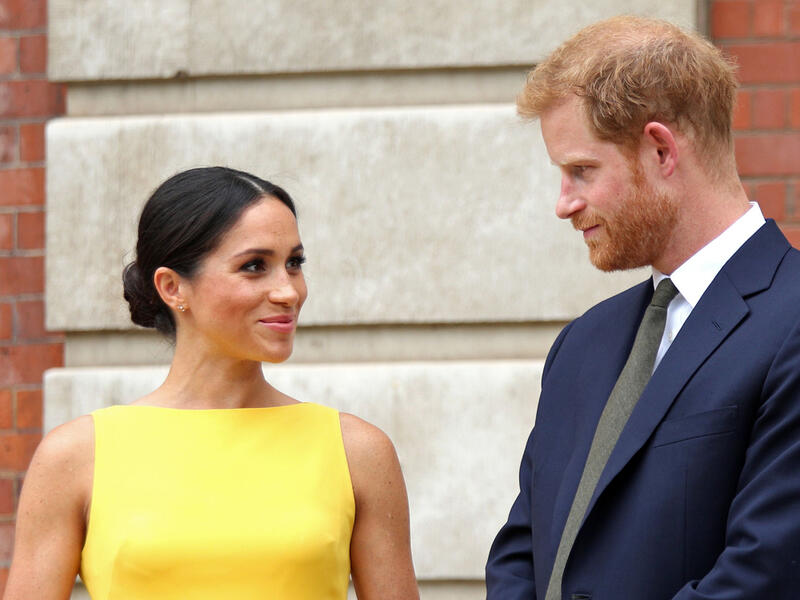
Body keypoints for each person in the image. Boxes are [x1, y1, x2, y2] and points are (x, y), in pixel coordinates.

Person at [486, 16, 800, 600]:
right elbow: (522, 552)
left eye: (581, 170)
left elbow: (765, 573)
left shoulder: (792, 320)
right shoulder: (581, 344)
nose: (564, 204)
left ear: (660, 150)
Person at [5, 166, 420, 600]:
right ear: (171, 287)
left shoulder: (357, 451)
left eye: (294, 263)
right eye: (255, 266)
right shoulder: (76, 455)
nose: (289, 291)